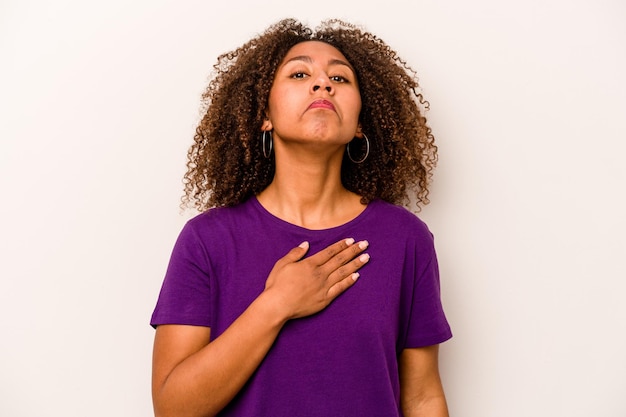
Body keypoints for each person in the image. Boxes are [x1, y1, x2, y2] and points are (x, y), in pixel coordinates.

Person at [150, 18, 452, 417]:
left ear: (360, 124)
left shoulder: (406, 239)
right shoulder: (208, 240)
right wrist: (276, 304)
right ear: (264, 115)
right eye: (299, 73)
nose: (323, 84)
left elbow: (423, 397)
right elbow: (173, 408)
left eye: (340, 79)